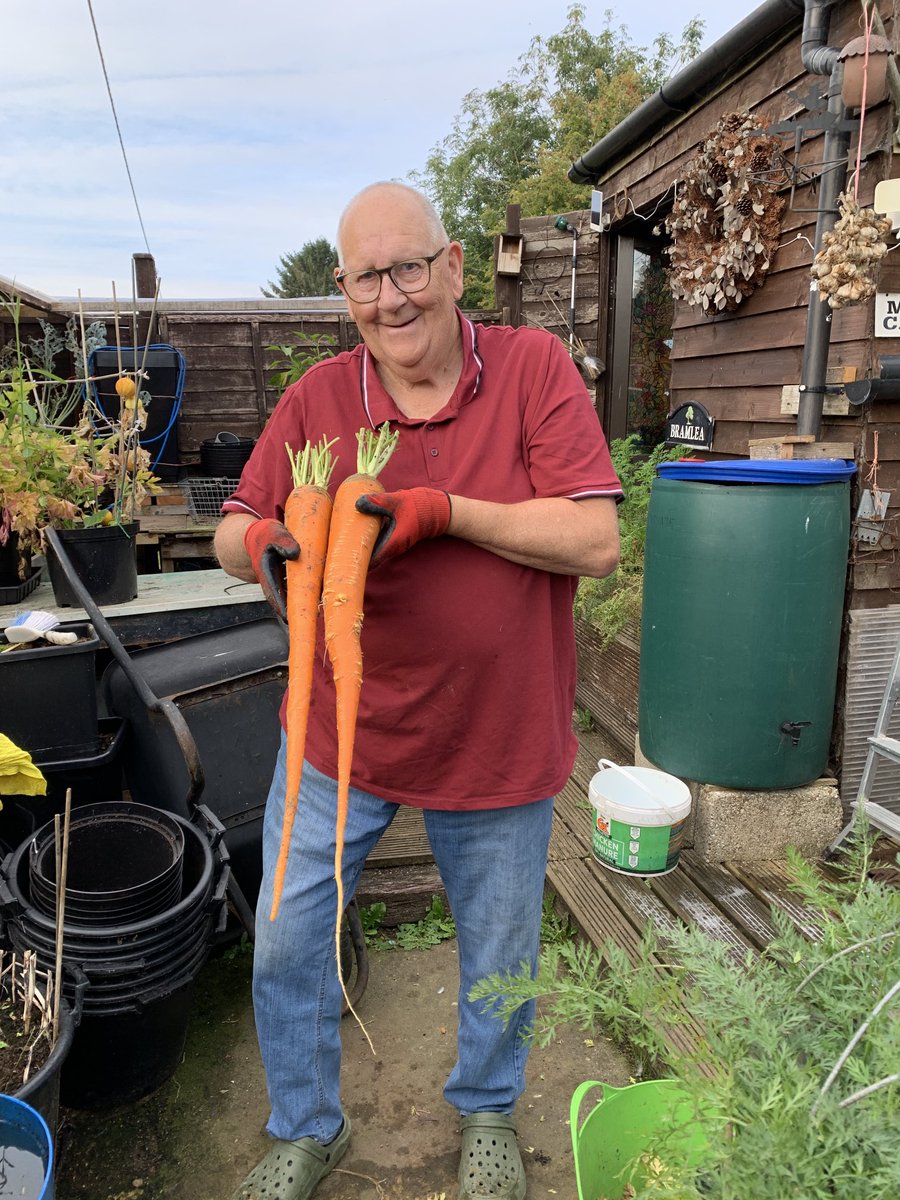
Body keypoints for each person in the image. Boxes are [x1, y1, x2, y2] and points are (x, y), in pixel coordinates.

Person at [216, 181, 622, 1200]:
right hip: (337, 733)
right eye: (365, 276)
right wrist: (271, 541)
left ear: (451, 269)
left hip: (499, 731)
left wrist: (445, 510)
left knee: (496, 951)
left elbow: (596, 539)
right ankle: (307, 1124)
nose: (391, 297)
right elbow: (230, 530)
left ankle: (485, 1107)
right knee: (286, 940)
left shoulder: (532, 371)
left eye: (408, 269)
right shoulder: (317, 398)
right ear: (343, 289)